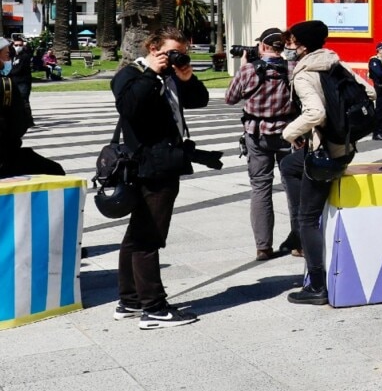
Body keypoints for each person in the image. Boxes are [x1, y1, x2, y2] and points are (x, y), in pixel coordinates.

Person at [112, 28, 210, 329]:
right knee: (148, 236)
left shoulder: (170, 77)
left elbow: (200, 100)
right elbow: (129, 107)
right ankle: (153, 308)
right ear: (154, 48)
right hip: (148, 166)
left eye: (181, 51)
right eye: (171, 52)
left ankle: (129, 300)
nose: (175, 57)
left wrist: (186, 76)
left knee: (136, 234)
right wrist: (150, 74)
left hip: (165, 162)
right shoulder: (131, 74)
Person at [279, 20, 376, 304]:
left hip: (324, 157)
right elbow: (369, 93)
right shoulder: (335, 64)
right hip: (342, 148)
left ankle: (317, 286)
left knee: (308, 218)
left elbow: (315, 113)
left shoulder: (304, 74)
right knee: (288, 166)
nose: (289, 46)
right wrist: (342, 123)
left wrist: (288, 133)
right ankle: (301, 224)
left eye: (292, 41)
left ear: (304, 45)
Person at [225, 28, 299, 261]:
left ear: (264, 46)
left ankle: (263, 247)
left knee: (260, 187)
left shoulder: (248, 70)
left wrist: (244, 68)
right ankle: (300, 243)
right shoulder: (293, 69)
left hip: (257, 134)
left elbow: (230, 98)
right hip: (288, 133)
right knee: (293, 187)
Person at [0, 37, 64, 177]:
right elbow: (18, 124)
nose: (8, 58)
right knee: (54, 171)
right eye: (6, 55)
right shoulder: (6, 86)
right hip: (5, 155)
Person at [8, 34, 32, 107]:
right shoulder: (12, 56)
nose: (18, 47)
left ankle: (27, 117)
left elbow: (19, 69)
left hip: (23, 82)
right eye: (16, 45)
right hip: (13, 82)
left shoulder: (25, 56)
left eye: (20, 45)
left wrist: (9, 73)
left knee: (24, 100)